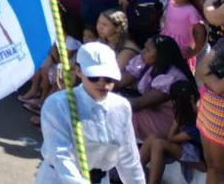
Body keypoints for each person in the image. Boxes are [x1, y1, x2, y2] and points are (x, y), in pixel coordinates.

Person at [36, 42, 144, 183]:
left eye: (108, 78)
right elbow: (61, 156)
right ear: (79, 71)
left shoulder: (121, 107)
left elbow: (128, 158)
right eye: (94, 77)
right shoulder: (58, 104)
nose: (102, 83)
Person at [140, 81, 206, 184]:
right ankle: (132, 172)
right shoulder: (190, 111)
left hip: (201, 160)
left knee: (159, 144)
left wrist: (177, 120)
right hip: (190, 149)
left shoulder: (199, 119)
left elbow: (172, 138)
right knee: (153, 137)